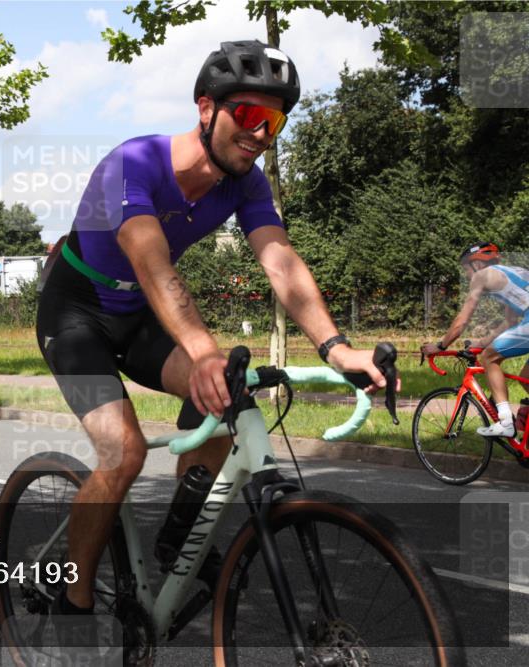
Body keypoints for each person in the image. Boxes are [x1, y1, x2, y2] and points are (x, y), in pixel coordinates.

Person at [36, 40, 391, 621]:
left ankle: (180, 539)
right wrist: (201, 351)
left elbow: (281, 262)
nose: (261, 133)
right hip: (75, 315)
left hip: (139, 317)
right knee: (124, 452)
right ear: (206, 108)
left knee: (230, 392)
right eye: (248, 114)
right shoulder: (133, 163)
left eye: (274, 121)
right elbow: (152, 263)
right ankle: (71, 597)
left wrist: (337, 348)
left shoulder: (245, 183)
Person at [421, 243, 529, 437]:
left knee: (488, 358)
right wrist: (482, 342)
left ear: (477, 264)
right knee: (526, 378)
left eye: (466, 269)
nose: (466, 275)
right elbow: (510, 322)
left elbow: (461, 321)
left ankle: (506, 422)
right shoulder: (512, 273)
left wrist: (440, 346)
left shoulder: (482, 275)